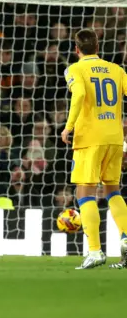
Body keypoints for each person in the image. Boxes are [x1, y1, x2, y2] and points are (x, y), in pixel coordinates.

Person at [61, 29, 127, 269]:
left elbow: (78, 95)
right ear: (98, 46)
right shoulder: (117, 70)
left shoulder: (74, 69)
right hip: (115, 137)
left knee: (84, 193)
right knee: (113, 190)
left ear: (76, 49)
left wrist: (68, 127)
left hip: (90, 138)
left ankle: (95, 251)